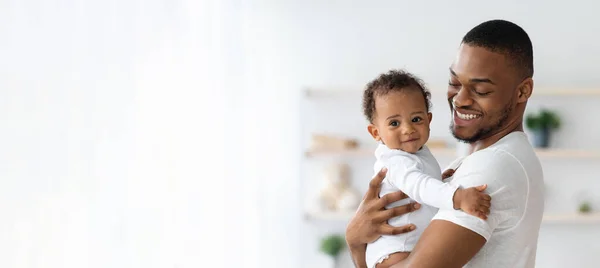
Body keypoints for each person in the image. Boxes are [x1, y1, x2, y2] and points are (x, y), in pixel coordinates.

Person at [345, 19, 545, 268]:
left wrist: (356, 245)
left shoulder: (491, 168)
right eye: (454, 83)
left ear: (522, 92)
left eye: (480, 90)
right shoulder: (483, 161)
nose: (460, 99)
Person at [360, 69, 492, 268]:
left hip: (407, 249)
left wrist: (439, 179)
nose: (408, 129)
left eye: (416, 119)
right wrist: (457, 197)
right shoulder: (395, 161)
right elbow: (419, 185)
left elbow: (420, 186)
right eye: (394, 123)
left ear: (428, 120)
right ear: (375, 132)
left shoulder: (416, 153)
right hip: (394, 254)